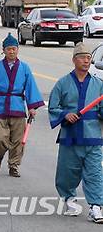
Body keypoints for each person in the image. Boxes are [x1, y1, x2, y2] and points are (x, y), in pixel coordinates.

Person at [49, 42, 103, 222]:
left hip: (92, 136)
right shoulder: (62, 83)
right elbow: (53, 107)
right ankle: (69, 200)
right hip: (70, 136)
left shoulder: (98, 84)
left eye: (89, 58)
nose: (86, 61)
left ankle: (96, 207)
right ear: (74, 60)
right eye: (82, 58)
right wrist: (65, 114)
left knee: (95, 172)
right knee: (67, 172)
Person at [0, 33, 44, 178]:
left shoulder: (25, 68)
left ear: (18, 50)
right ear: (3, 50)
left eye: (14, 49)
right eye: (8, 49)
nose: (11, 52)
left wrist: (31, 106)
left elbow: (30, 87)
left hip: (17, 107)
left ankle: (13, 166)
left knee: (18, 141)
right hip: (0, 106)